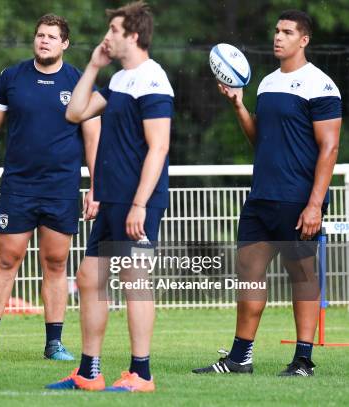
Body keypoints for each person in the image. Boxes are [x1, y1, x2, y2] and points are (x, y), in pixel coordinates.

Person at [193, 10, 342, 377]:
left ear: (303, 40)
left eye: (287, 32)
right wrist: (238, 104)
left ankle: (303, 360)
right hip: (262, 197)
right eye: (276, 31)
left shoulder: (321, 86)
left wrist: (313, 205)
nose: (278, 37)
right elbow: (260, 140)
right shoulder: (266, 84)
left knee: (302, 277)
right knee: (249, 273)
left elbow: (330, 149)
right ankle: (240, 358)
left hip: (298, 200)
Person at [47, 1, 173, 392]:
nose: (108, 36)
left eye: (114, 31)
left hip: (139, 201)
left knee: (135, 280)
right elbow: (75, 112)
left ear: (133, 35)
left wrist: (139, 204)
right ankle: (89, 372)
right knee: (90, 278)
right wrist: (93, 65)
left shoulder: (153, 80)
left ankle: (142, 374)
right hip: (112, 199)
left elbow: (159, 147)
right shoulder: (120, 79)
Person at [0, 14, 100, 363]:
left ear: (65, 44)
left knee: (56, 263)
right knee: (7, 258)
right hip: (18, 185)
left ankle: (54, 343)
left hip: (61, 187)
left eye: (52, 37)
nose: (44, 41)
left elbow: (93, 138)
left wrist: (95, 186)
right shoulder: (11, 78)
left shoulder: (78, 81)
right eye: (40, 35)